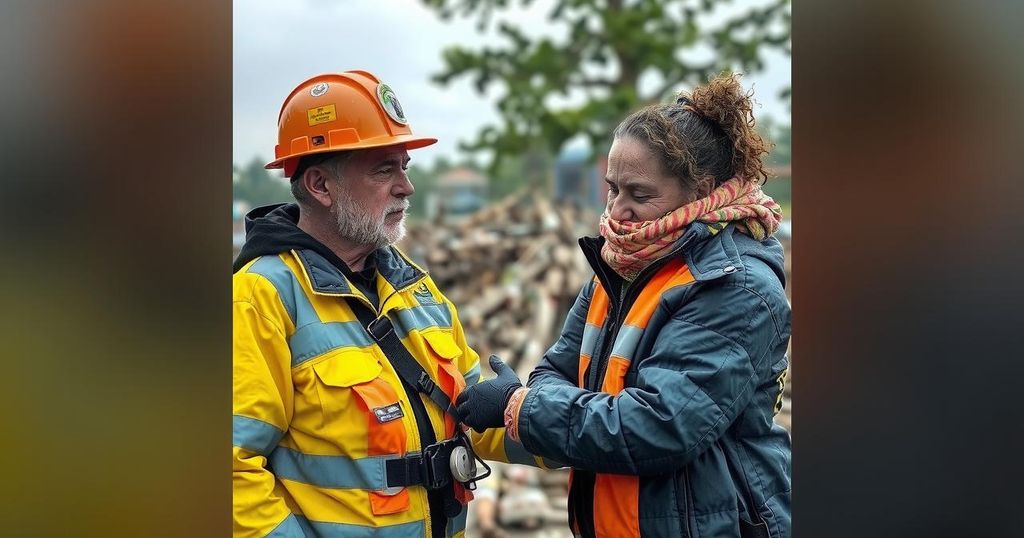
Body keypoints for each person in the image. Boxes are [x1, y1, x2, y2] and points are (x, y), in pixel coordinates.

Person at [456, 73, 792, 538]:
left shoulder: (737, 288)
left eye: (639, 195)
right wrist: (536, 400)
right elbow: (555, 372)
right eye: (612, 188)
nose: (617, 211)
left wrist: (523, 409)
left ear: (702, 190)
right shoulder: (620, 270)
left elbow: (659, 426)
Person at [232, 70, 531, 538]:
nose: (406, 187)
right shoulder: (262, 296)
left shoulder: (413, 285)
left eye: (404, 167)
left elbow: (474, 417)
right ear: (320, 186)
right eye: (383, 169)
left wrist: (534, 418)